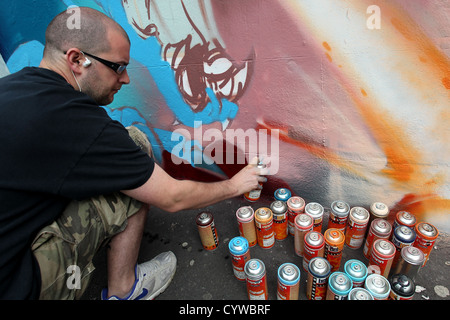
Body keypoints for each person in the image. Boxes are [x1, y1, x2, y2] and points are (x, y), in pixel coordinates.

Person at [0, 7, 266, 300]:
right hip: (18, 282)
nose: (125, 79)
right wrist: (235, 185)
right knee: (135, 161)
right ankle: (125, 289)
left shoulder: (12, 88)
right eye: (118, 67)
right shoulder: (79, 124)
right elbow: (172, 196)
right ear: (77, 60)